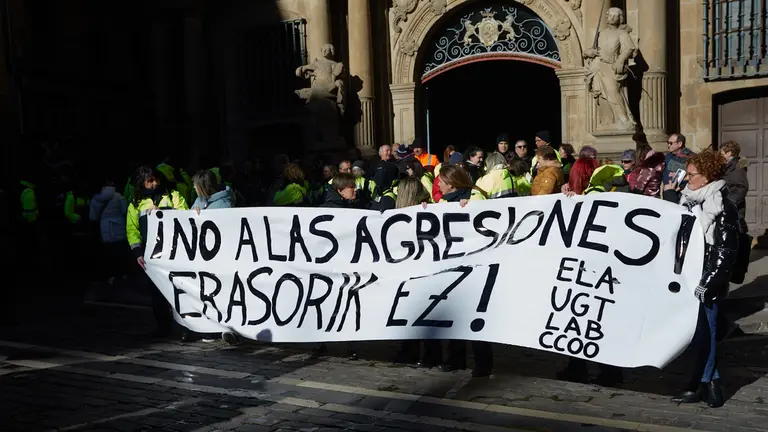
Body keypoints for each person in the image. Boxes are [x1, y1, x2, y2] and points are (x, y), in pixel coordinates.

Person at [663, 150, 739, 409]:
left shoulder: (721, 205)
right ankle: (710, 381)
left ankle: (701, 383)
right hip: (687, 278)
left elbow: (725, 250)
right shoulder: (688, 200)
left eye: (691, 175)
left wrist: (711, 282)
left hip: (706, 281)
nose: (687, 180)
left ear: (706, 177)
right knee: (698, 334)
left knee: (707, 332)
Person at [126, 166, 188, 338]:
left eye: (156, 180)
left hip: (176, 251)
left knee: (179, 291)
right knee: (157, 293)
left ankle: (186, 327)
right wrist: (137, 252)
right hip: (152, 254)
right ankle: (163, 327)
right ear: (141, 183)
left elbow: (185, 215)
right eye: (149, 181)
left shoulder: (173, 195)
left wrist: (164, 213)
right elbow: (132, 230)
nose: (154, 184)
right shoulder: (135, 204)